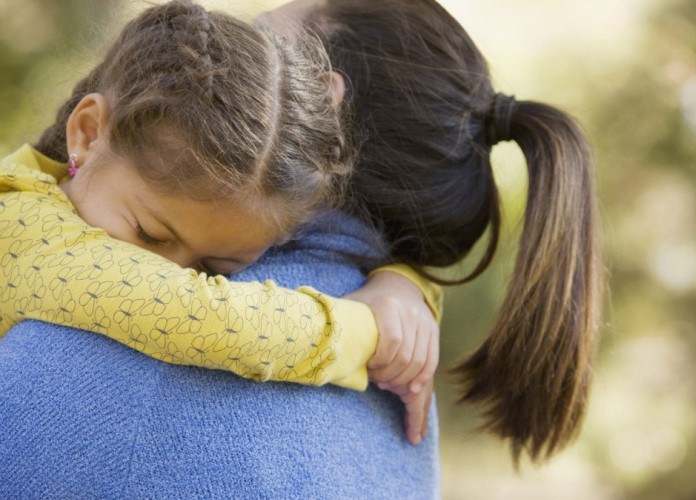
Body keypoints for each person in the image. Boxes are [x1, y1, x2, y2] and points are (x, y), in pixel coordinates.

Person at [0, 0, 602, 496]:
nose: (227, 63)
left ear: (309, 116)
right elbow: (199, 312)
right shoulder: (400, 403)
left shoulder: (78, 357)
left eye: (259, 44)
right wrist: (386, 308)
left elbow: (199, 314)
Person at [0, 0, 441, 444]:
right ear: (90, 132)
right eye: (150, 235)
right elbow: (197, 315)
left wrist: (403, 284)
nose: (172, 272)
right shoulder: (24, 228)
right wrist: (369, 332)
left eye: (216, 272)